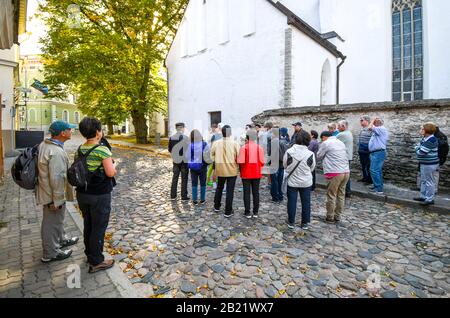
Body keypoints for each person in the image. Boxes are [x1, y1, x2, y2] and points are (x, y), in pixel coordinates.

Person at [76, 117, 117, 273]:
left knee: (89, 224)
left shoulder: (80, 148)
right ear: (98, 132)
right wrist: (114, 165)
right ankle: (96, 261)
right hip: (99, 195)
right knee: (98, 227)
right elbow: (110, 172)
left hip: (83, 194)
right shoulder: (102, 149)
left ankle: (89, 254)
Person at [36, 120, 79, 263]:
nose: (71, 131)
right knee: (51, 223)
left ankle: (60, 240)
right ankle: (50, 253)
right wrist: (58, 200)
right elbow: (57, 178)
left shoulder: (46, 145)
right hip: (51, 195)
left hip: (47, 191)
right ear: (62, 133)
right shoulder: (56, 152)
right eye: (69, 129)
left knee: (57, 220)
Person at [284, 132, 316, 230]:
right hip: (306, 181)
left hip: (292, 180)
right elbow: (312, 167)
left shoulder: (289, 151)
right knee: (306, 202)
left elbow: (285, 165)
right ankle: (305, 222)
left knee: (292, 201)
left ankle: (291, 222)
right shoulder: (310, 154)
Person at [317, 131, 350, 224]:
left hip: (334, 172)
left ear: (324, 137)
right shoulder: (340, 142)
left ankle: (330, 217)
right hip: (346, 171)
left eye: (321, 138)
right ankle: (338, 216)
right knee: (341, 195)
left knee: (331, 195)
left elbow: (318, 156)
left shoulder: (326, 143)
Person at [211, 125, 241, 217]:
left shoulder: (216, 143)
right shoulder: (235, 143)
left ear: (222, 132)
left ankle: (217, 206)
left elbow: (212, 156)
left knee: (219, 188)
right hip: (232, 170)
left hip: (220, 169)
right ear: (230, 133)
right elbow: (239, 157)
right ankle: (228, 211)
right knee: (230, 190)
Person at [237, 129, 265, 218]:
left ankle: (247, 212)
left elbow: (240, 162)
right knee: (256, 192)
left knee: (246, 192)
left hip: (246, 173)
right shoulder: (259, 148)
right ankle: (255, 212)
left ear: (247, 137)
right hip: (256, 173)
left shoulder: (244, 148)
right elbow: (262, 162)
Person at [414, 123, 440, 206]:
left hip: (430, 164)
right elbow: (420, 147)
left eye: (422, 129)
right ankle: (423, 196)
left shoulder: (431, 140)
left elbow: (421, 152)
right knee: (424, 180)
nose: (421, 130)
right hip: (425, 163)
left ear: (427, 130)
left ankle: (429, 199)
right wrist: (419, 148)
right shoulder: (425, 138)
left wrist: (417, 148)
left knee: (429, 181)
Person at [187, 130, 210, 205]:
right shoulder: (204, 144)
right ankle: (202, 200)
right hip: (203, 166)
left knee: (194, 183)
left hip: (193, 167)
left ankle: (194, 200)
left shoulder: (190, 145)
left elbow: (187, 156)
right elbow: (208, 155)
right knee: (203, 183)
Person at [168, 123, 189, 201]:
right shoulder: (186, 138)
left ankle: (173, 195)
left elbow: (169, 150)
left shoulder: (171, 138)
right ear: (182, 128)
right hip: (184, 161)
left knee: (175, 177)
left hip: (176, 161)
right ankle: (184, 196)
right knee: (184, 178)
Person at [368, 117, 389, 195]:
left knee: (374, 170)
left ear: (378, 123)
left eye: (374, 122)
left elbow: (369, 127)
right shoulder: (378, 130)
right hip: (375, 153)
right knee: (377, 170)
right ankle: (377, 186)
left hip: (378, 153)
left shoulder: (381, 128)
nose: (373, 123)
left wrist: (373, 120)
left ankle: (379, 189)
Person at [337, 120, 354, 198]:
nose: (337, 127)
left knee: (342, 175)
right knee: (346, 175)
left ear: (343, 126)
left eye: (339, 126)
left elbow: (332, 142)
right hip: (348, 157)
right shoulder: (349, 133)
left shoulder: (342, 134)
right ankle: (347, 192)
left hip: (343, 157)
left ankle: (345, 191)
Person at [207, 123, 223, 189]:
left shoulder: (215, 135)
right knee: (217, 169)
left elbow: (212, 146)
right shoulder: (221, 135)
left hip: (217, 155)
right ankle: (218, 185)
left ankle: (215, 185)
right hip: (220, 155)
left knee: (214, 169)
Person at [357, 116, 373, 185]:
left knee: (367, 165)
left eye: (362, 120)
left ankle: (369, 180)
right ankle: (364, 177)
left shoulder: (371, 129)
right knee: (363, 165)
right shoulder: (362, 129)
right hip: (361, 150)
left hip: (367, 150)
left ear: (367, 121)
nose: (360, 122)